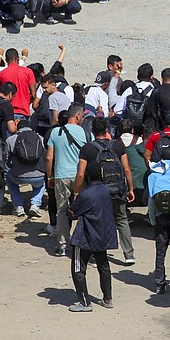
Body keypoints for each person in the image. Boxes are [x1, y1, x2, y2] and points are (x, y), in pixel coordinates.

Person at [75, 117, 136, 266]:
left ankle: (96, 256)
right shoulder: (118, 146)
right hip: (117, 190)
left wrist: (77, 192)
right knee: (122, 219)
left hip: (98, 192)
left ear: (92, 131)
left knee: (98, 221)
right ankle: (129, 254)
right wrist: (130, 188)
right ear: (107, 130)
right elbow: (126, 169)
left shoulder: (87, 149)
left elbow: (81, 173)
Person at [66, 162, 117, 312]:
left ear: (87, 176)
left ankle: (84, 302)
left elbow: (72, 212)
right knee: (103, 265)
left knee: (78, 268)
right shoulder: (105, 191)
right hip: (103, 234)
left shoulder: (86, 194)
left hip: (86, 236)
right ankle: (107, 299)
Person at [46, 106, 88, 257]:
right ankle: (82, 241)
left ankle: (62, 244)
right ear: (77, 116)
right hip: (78, 175)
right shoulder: (82, 132)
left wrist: (50, 176)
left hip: (60, 174)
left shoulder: (55, 132)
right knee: (84, 209)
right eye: (81, 116)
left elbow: (49, 157)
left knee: (62, 210)